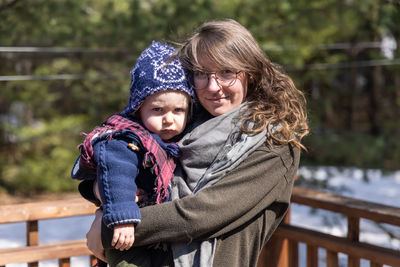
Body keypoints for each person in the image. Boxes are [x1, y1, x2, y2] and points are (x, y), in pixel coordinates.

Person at [86, 18, 309, 267]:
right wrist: (99, 194)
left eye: (227, 72)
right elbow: (123, 165)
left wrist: (111, 226)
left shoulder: (275, 144)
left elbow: (200, 215)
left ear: (251, 74)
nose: (213, 87)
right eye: (202, 73)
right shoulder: (181, 122)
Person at [71, 41, 195, 266]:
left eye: (179, 110)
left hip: (154, 235)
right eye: (158, 109)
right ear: (139, 108)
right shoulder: (125, 139)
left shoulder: (170, 141)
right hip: (125, 233)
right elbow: (115, 175)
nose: (169, 119)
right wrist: (122, 219)